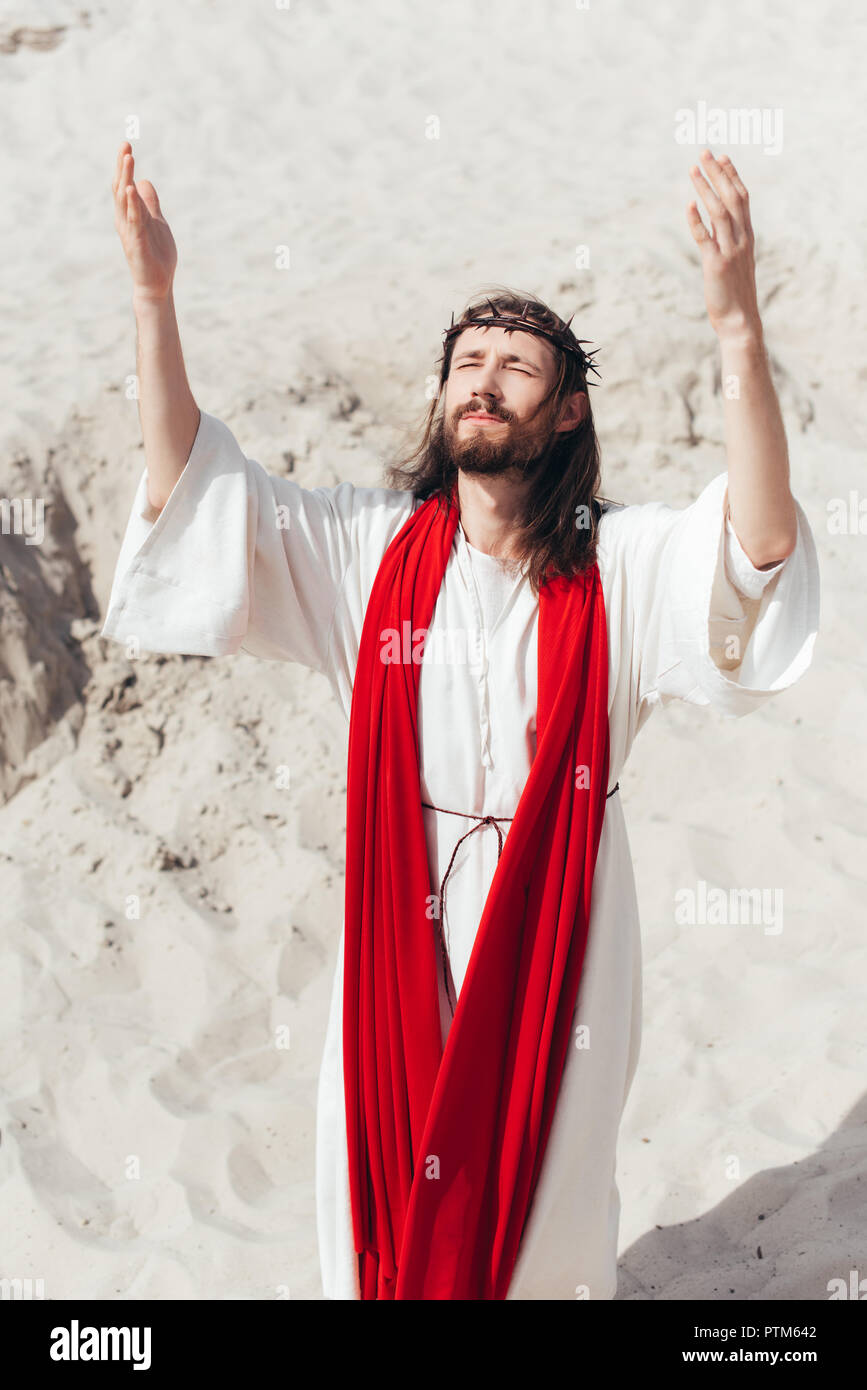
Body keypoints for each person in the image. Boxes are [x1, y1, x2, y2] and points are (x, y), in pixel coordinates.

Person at [103, 141, 819, 1299]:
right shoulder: (369, 550)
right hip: (405, 894)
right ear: (444, 399)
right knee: (379, 1195)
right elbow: (196, 490)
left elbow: (759, 547)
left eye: (517, 365)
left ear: (566, 408)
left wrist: (736, 328)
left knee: (548, 1212)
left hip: (563, 918)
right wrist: (153, 297)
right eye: (468, 361)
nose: (484, 379)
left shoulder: (620, 566)